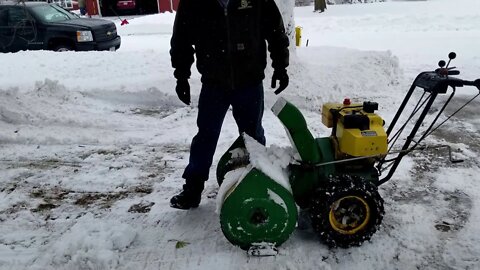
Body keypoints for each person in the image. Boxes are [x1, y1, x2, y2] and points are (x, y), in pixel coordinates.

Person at [169, 0, 290, 210]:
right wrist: (181, 77)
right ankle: (193, 188)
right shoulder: (193, 3)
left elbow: (275, 31)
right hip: (213, 83)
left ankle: (258, 182)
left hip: (249, 81)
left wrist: (281, 67)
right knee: (206, 135)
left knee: (252, 136)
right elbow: (181, 39)